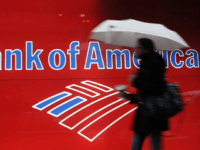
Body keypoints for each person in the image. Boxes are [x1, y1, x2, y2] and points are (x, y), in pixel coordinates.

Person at [119, 38, 168, 150]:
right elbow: (148, 91)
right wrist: (129, 96)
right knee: (154, 145)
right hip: (154, 112)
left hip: (149, 113)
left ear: (145, 49)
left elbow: (154, 88)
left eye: (138, 47)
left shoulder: (150, 63)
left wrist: (136, 81)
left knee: (137, 145)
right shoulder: (150, 62)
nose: (136, 49)